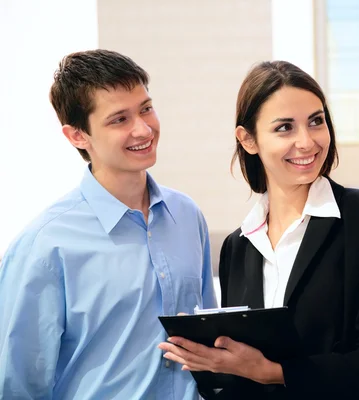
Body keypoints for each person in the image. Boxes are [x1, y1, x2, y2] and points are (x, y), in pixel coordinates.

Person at [158, 61, 359, 399]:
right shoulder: (238, 246)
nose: (307, 142)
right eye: (285, 128)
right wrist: (214, 360)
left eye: (316, 121)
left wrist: (271, 373)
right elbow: (243, 375)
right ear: (248, 139)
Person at [0, 49, 217, 399]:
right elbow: (19, 386)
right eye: (119, 119)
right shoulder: (43, 246)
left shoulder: (187, 215)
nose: (143, 129)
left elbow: (208, 342)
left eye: (146, 108)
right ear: (77, 136)